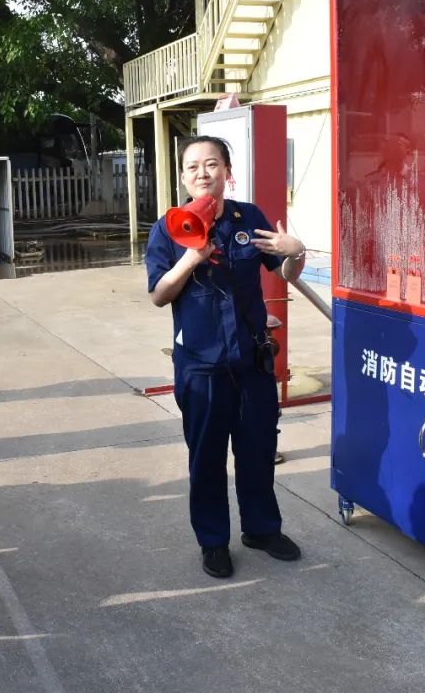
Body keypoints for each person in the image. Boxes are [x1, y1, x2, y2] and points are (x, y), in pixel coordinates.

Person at [146, 135, 305, 579]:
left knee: (257, 451)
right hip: (201, 365)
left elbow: (284, 272)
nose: (202, 173)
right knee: (207, 458)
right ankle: (213, 541)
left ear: (226, 171)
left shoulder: (247, 217)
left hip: (251, 362)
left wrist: (297, 252)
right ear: (182, 176)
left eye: (211, 164)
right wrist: (190, 259)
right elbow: (159, 295)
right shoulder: (167, 228)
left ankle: (261, 530)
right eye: (193, 166)